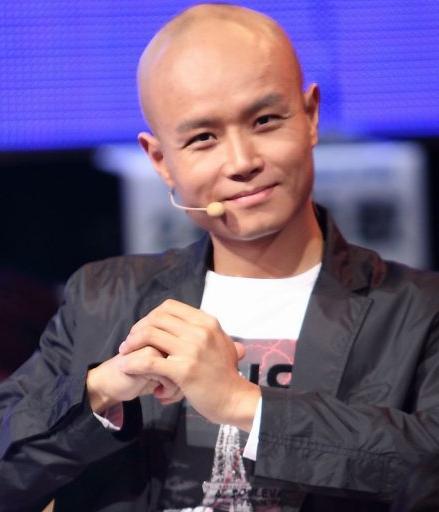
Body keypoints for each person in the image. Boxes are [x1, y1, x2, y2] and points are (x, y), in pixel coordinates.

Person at [0, 4, 438, 512]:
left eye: (265, 121)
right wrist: (98, 392)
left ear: (311, 116)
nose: (242, 162)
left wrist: (242, 403)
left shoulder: (418, 310)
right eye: (203, 138)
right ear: (160, 160)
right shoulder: (104, 299)